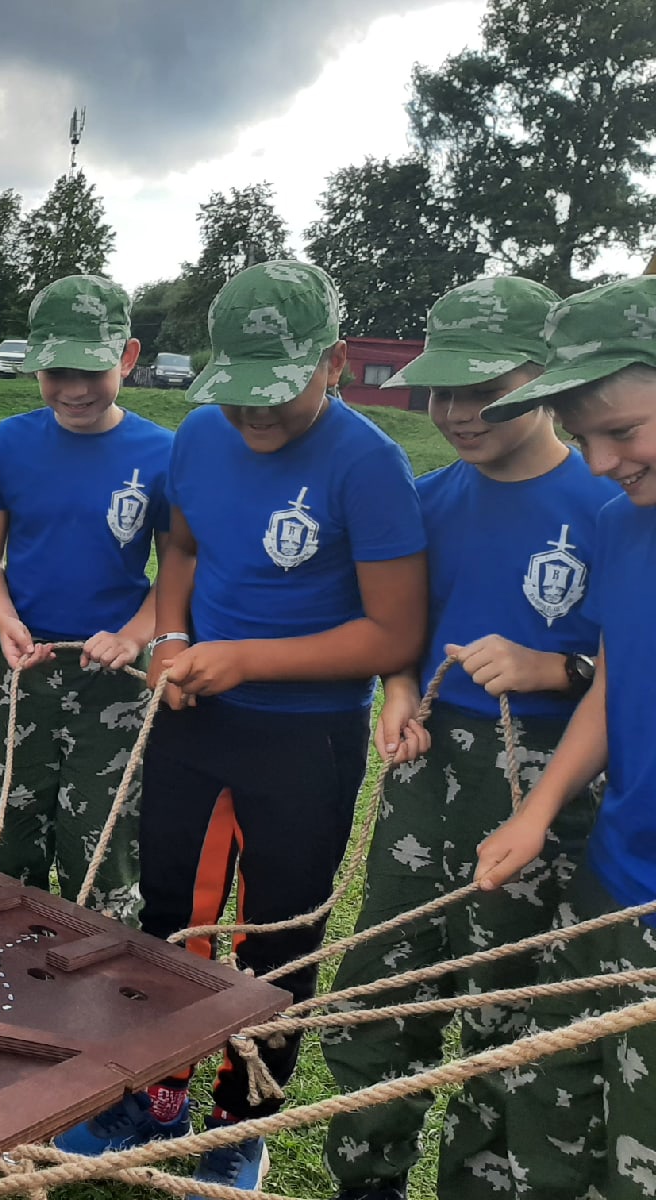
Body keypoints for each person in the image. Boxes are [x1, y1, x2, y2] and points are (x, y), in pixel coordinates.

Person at [57, 262, 427, 1198]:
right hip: (196, 714)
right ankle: (157, 1092)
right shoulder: (198, 441)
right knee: (172, 913)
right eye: (240, 392)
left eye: (278, 391)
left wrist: (247, 658)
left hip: (305, 739)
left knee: (277, 941)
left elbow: (394, 632)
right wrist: (177, 638)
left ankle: (243, 1120)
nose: (254, 415)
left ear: (335, 363)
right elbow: (180, 546)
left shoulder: (369, 465)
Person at [319, 277, 616, 1200]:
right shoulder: (424, 499)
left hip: (542, 795)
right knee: (380, 989)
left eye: (484, 391)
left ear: (548, 381)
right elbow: (397, 632)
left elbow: (630, 675)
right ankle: (366, 1178)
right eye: (442, 390)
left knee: (507, 1014)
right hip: (428, 772)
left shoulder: (607, 505)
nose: (456, 412)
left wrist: (551, 670)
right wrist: (399, 688)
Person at [473, 276, 656, 1200]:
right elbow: (615, 683)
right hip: (614, 883)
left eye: (622, 431)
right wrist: (541, 810)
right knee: (550, 1119)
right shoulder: (622, 526)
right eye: (585, 439)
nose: (598, 462)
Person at [0, 274, 171, 918]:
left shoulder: (162, 453)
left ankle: (99, 1002)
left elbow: (176, 573)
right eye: (56, 369)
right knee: (7, 837)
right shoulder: (8, 443)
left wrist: (135, 637)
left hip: (113, 678)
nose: (75, 387)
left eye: (93, 367)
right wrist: (5, 621)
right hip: (22, 669)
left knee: (102, 846)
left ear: (128, 358)